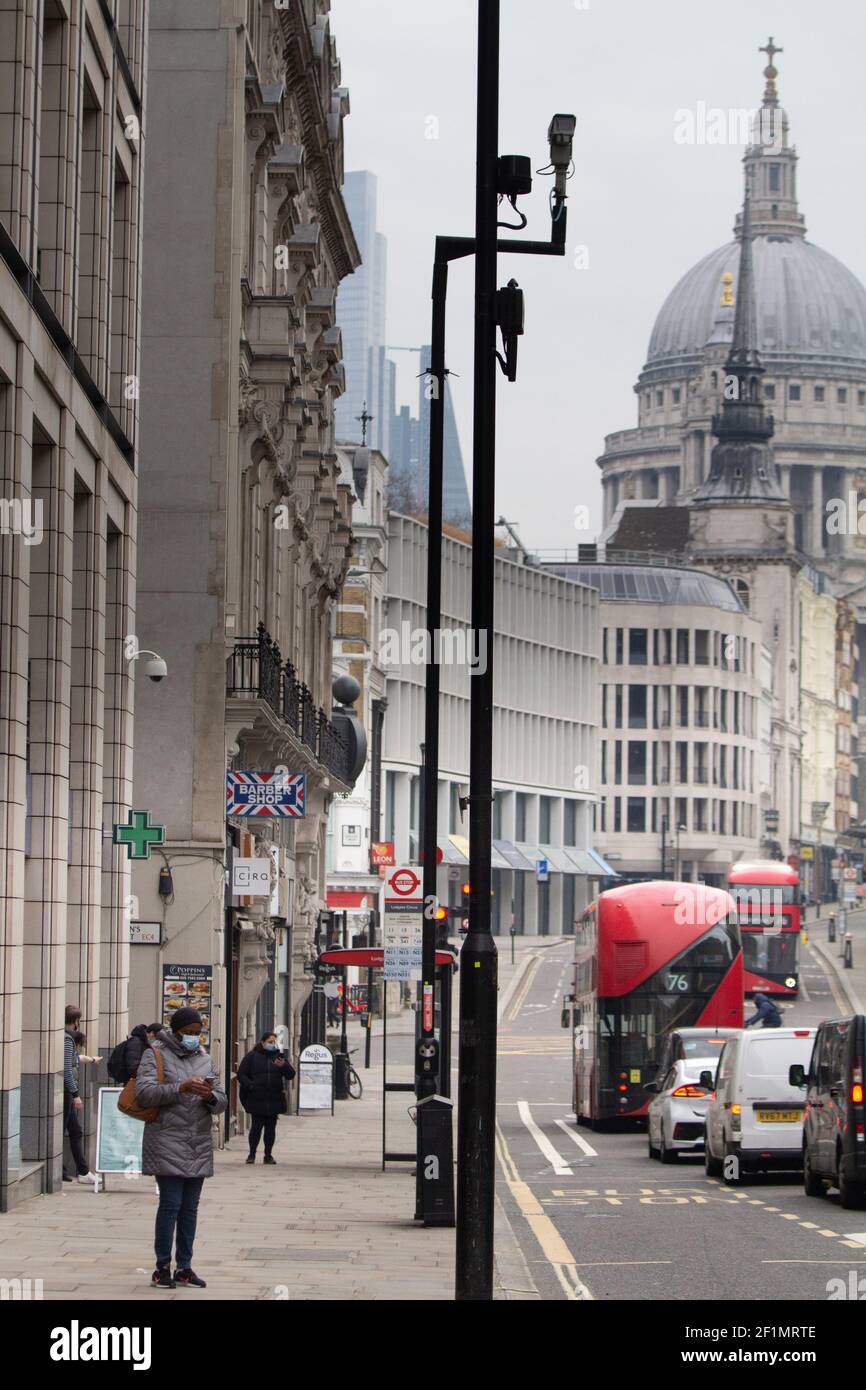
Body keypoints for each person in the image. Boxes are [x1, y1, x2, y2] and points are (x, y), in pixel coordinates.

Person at [135, 1007, 227, 1289]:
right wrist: (181, 1087)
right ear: (175, 1031)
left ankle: (184, 1266)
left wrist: (210, 1095)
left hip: (197, 1142)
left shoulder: (205, 1058)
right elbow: (144, 1093)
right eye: (188, 1033)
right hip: (166, 1139)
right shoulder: (156, 1054)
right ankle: (162, 1267)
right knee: (171, 1205)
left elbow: (222, 1101)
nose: (193, 1038)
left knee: (190, 1208)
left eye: (198, 1033)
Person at [236, 1032, 295, 1165]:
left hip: (274, 1098)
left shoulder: (278, 1057)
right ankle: (252, 1154)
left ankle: (268, 1155)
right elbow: (241, 1074)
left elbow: (291, 1074)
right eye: (269, 1041)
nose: (272, 1044)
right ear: (262, 1042)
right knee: (256, 1128)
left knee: (270, 1129)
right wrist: (251, 1086)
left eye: (274, 1042)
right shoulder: (252, 1057)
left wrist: (284, 1066)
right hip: (257, 1098)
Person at [63, 1005, 98, 1186]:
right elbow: (67, 1069)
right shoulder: (68, 1039)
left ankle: (78, 1170)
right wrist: (75, 1094)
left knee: (75, 1130)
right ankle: (82, 1172)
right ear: (76, 1021)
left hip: (67, 1091)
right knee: (73, 1130)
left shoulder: (64, 1037)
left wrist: (89, 1059)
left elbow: (72, 1060)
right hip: (67, 1092)